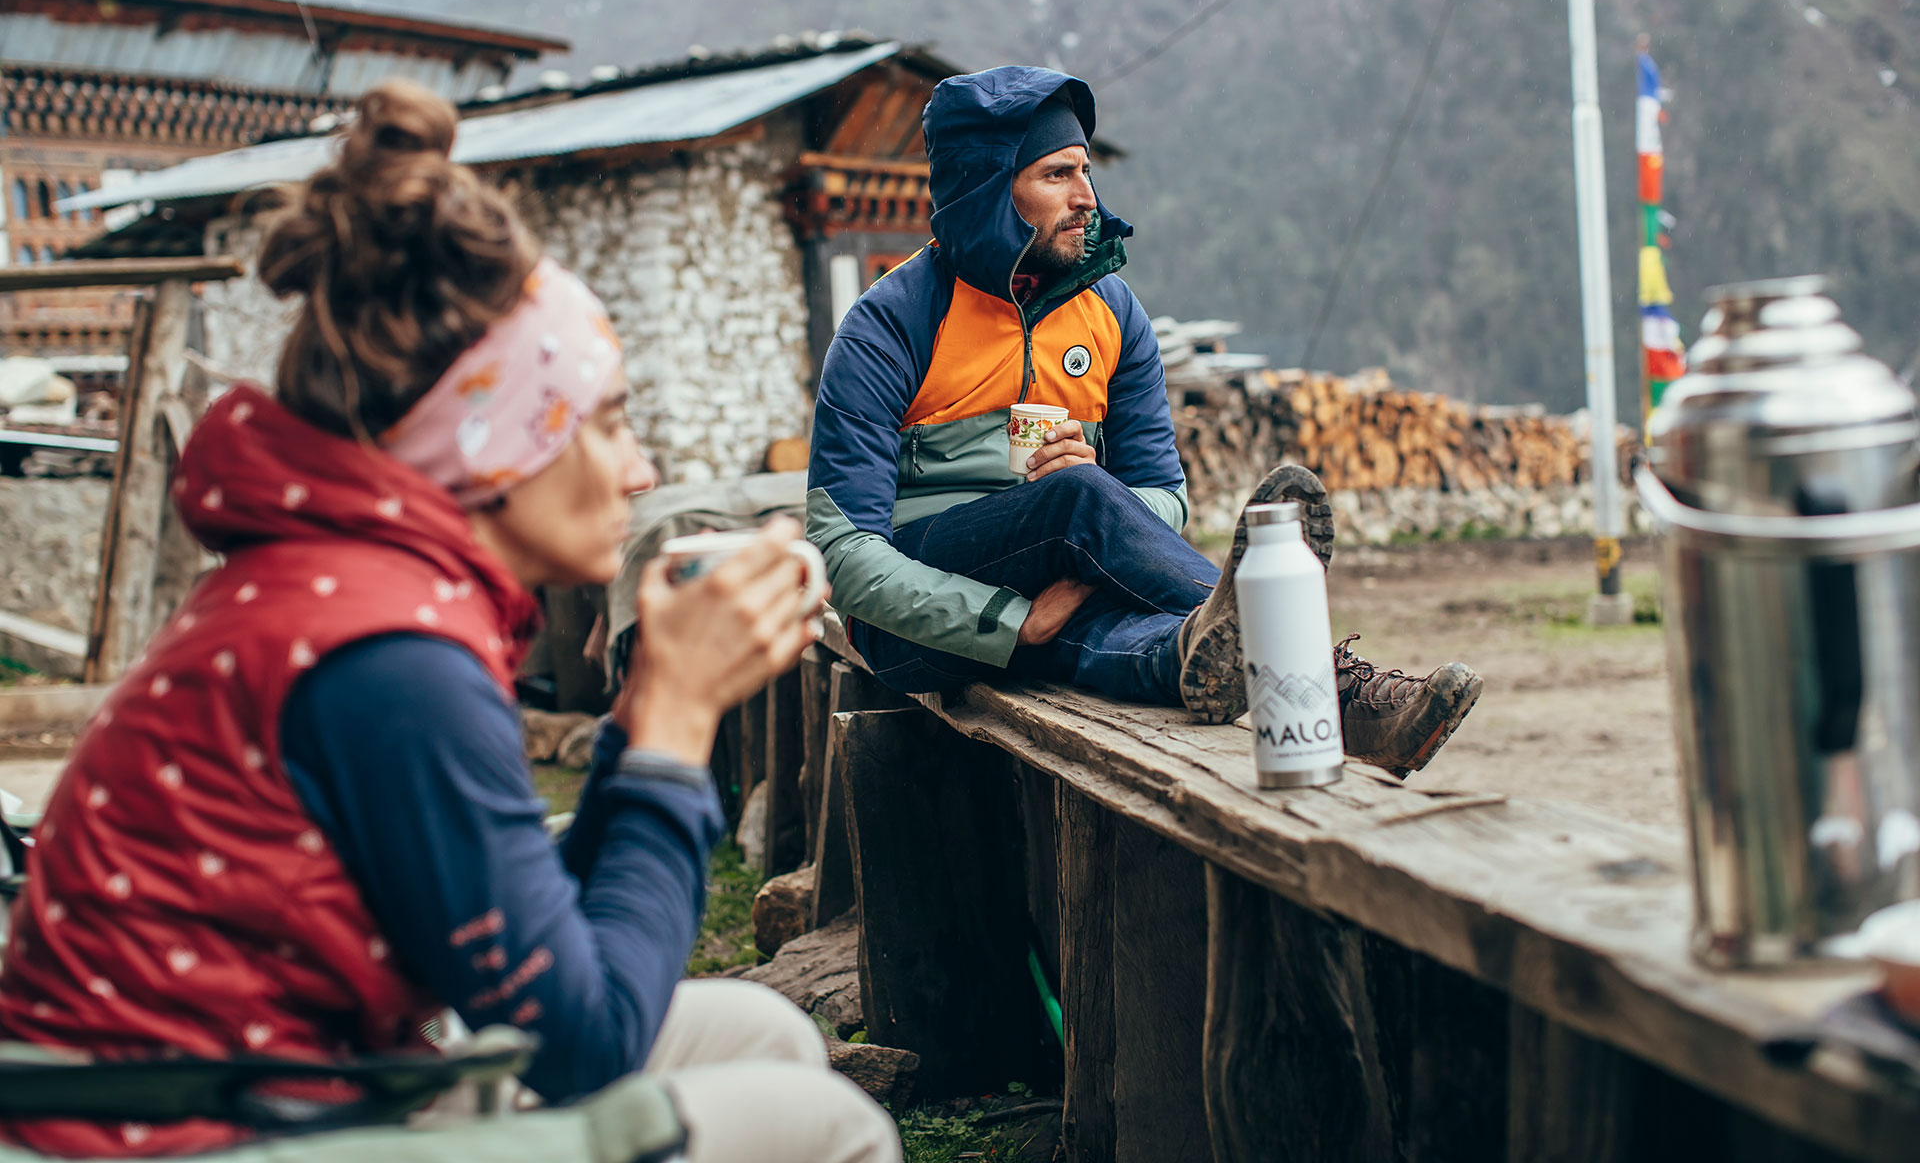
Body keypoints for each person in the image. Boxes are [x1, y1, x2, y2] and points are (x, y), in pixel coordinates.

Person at [0, 80, 900, 1163]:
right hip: (187, 1130)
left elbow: (524, 948)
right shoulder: (390, 657)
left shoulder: (344, 590)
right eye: (606, 421)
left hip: (284, 1072)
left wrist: (638, 714)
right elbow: (587, 1043)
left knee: (762, 1027)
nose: (641, 467)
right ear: (492, 444)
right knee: (828, 1127)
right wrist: (672, 720)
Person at [807, 65, 1482, 775]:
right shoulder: (888, 325)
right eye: (1057, 175)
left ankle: (1214, 662)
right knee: (1078, 497)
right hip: (913, 623)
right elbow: (843, 551)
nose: (1086, 198)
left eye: (1085, 171)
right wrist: (1011, 616)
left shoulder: (1112, 313)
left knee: (1173, 640)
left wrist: (1098, 524)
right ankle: (1338, 688)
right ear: (990, 189)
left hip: (1067, 596)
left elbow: (1165, 496)